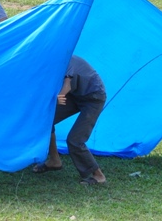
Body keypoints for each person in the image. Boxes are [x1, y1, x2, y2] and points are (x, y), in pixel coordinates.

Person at [32, 56, 107, 186]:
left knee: (75, 140)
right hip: (76, 95)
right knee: (46, 121)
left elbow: (67, 84)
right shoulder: (51, 61)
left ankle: (98, 176)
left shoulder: (66, 58)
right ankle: (54, 161)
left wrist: (60, 95)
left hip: (93, 98)